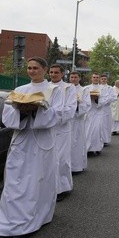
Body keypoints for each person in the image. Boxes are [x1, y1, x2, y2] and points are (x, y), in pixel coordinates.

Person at [0, 57, 64, 238]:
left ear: (44, 69)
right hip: (21, 141)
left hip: (41, 142)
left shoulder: (55, 91)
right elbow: (7, 117)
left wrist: (36, 110)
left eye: (36, 68)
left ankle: (35, 220)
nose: (32, 71)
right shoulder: (19, 91)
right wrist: (21, 111)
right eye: (29, 68)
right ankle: (6, 228)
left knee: (37, 182)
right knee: (14, 184)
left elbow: (59, 114)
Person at [49, 64, 77, 202]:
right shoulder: (46, 87)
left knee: (61, 159)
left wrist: (54, 117)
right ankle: (49, 187)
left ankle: (63, 187)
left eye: (56, 72)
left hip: (62, 127)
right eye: (51, 72)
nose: (53, 75)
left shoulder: (69, 88)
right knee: (48, 160)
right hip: (46, 129)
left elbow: (71, 108)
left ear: (62, 74)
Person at [69, 71, 91, 173]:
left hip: (77, 120)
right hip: (66, 121)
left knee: (77, 143)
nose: (73, 79)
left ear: (79, 78)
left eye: (75, 77)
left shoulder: (84, 90)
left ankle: (76, 166)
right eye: (72, 77)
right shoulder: (65, 88)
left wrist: (77, 104)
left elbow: (87, 105)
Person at [84, 73, 108, 156]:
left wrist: (97, 99)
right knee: (88, 131)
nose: (95, 79)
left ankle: (97, 148)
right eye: (94, 77)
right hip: (89, 112)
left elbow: (105, 99)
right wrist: (89, 99)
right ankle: (88, 148)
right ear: (91, 78)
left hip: (98, 112)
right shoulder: (86, 88)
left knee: (97, 130)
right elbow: (82, 99)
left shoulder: (103, 89)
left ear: (99, 79)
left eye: (97, 77)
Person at [100, 74, 115, 145]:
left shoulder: (110, 88)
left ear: (107, 80)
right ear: (100, 79)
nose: (103, 80)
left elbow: (113, 97)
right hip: (99, 108)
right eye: (102, 79)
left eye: (105, 79)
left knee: (107, 124)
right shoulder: (98, 87)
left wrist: (105, 100)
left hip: (107, 108)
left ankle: (106, 139)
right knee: (100, 125)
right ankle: (100, 139)